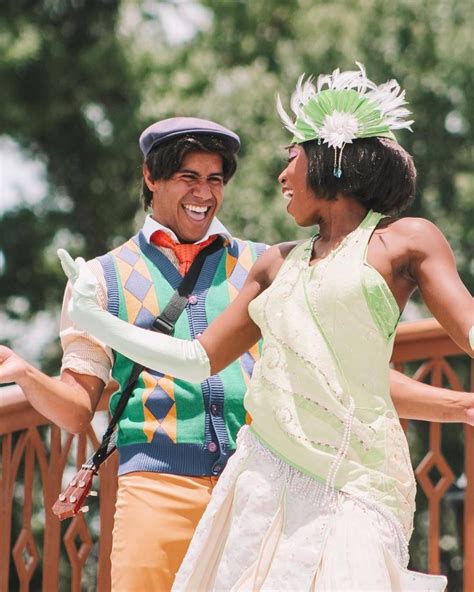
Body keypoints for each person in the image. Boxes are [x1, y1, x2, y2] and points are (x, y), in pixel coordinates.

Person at [59, 65, 473, 591]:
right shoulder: (274, 265)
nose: (281, 177)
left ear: (328, 161)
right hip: (266, 480)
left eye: (291, 159)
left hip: (356, 480)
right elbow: (195, 358)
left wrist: (461, 404)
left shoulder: (405, 240)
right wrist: (95, 320)